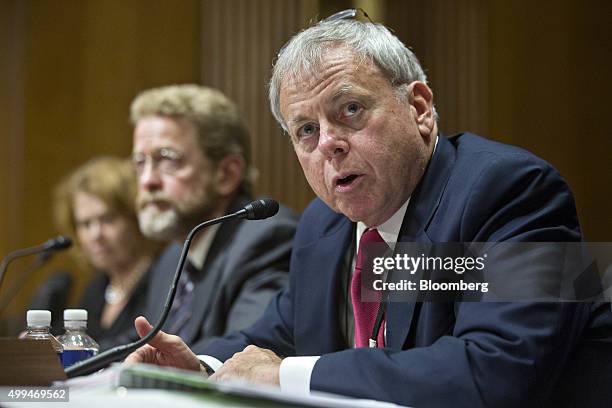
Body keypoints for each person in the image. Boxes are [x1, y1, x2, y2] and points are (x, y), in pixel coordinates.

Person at [125, 13, 612, 407]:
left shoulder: (511, 191)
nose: (329, 145)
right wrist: (202, 368)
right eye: (306, 131)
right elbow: (274, 335)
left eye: (350, 110)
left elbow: (498, 371)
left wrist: (287, 376)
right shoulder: (325, 225)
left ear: (419, 107)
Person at [130, 84, 298, 352]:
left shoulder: (267, 240)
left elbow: (248, 349)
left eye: (168, 159)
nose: (148, 180)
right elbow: (136, 345)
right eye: (140, 162)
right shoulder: (171, 259)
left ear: (226, 174)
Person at [53, 156, 162, 350]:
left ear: (134, 218)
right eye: (85, 224)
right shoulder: (96, 288)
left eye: (108, 219)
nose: (96, 235)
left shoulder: (162, 279)